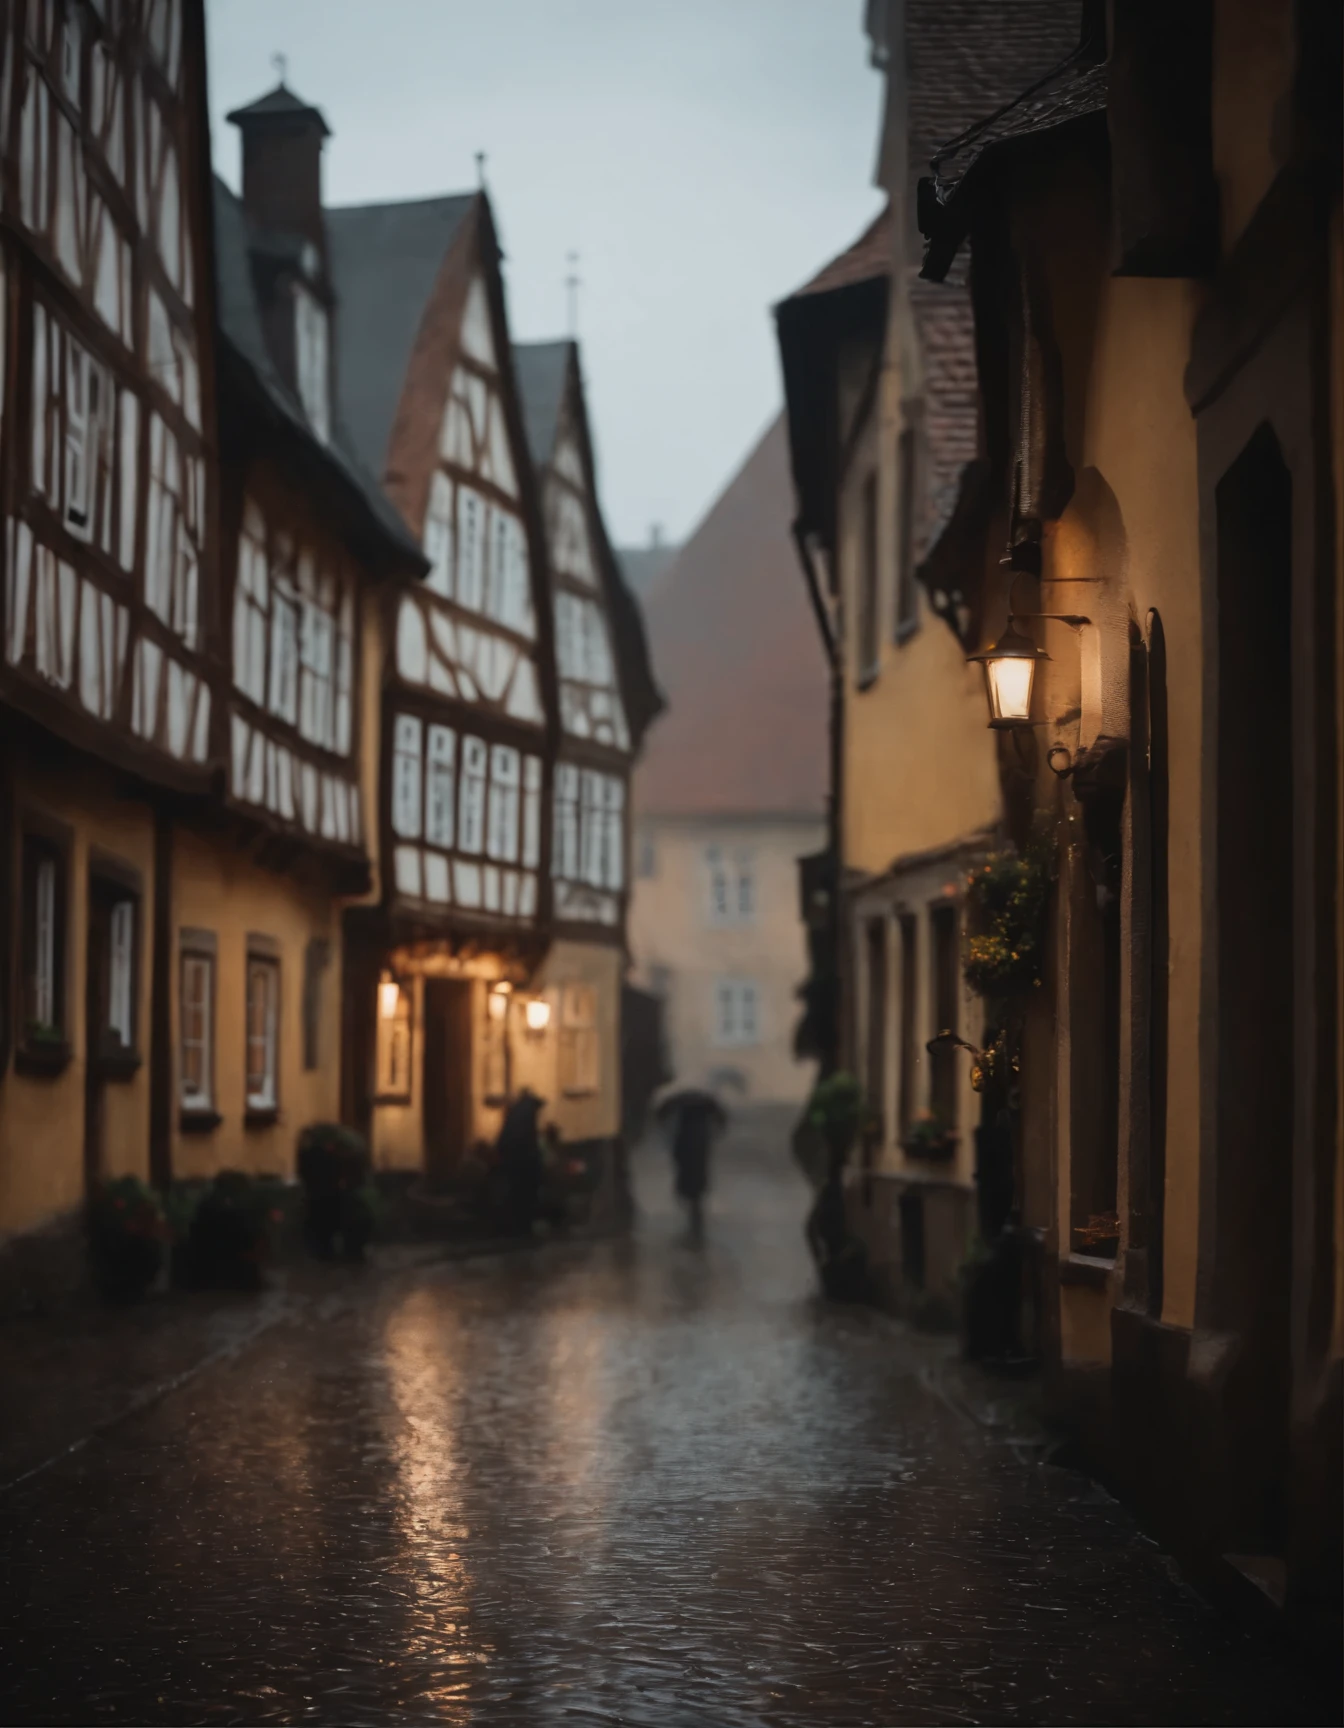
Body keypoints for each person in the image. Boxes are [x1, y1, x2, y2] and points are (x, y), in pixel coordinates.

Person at [655, 1088, 727, 1234]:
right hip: (698, 1144)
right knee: (697, 1180)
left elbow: (661, 1114)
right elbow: (721, 1119)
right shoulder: (705, 1105)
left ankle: (692, 1217)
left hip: (686, 1142)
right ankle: (695, 1218)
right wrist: (717, 1130)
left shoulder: (681, 1106)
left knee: (689, 1178)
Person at [492, 1088, 546, 1236]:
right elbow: (529, 1144)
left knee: (517, 1194)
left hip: (514, 1161)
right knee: (524, 1195)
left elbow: (503, 1141)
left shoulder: (516, 1115)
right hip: (521, 1163)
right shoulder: (526, 1117)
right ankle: (522, 1228)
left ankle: (518, 1226)